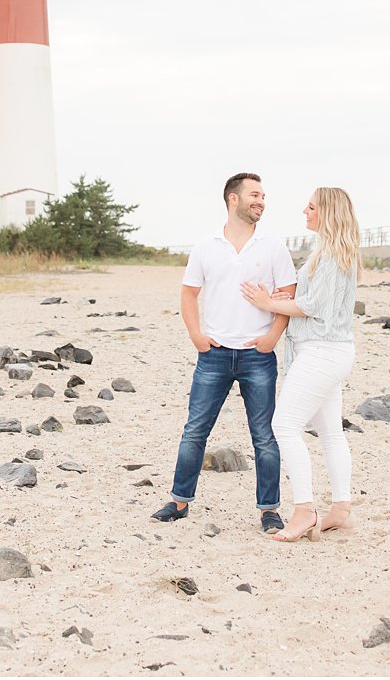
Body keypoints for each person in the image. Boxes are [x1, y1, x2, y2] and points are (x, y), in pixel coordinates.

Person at [151, 172, 297, 534]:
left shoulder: (273, 246)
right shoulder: (205, 246)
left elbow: (288, 294)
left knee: (264, 435)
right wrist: (196, 334)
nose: (261, 201)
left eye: (263, 196)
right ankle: (179, 501)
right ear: (233, 199)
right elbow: (188, 293)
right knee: (195, 430)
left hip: (257, 355)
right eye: (255, 195)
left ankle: (269, 510)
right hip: (213, 355)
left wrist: (271, 339)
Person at [240, 187, 360, 542]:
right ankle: (341, 509)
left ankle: (304, 510)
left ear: (328, 212)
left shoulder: (334, 253)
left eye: (310, 207)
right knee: (330, 432)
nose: (304, 211)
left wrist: (267, 302)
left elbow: (312, 308)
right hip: (331, 350)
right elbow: (312, 300)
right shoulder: (331, 251)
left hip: (322, 351)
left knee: (285, 426)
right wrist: (281, 300)